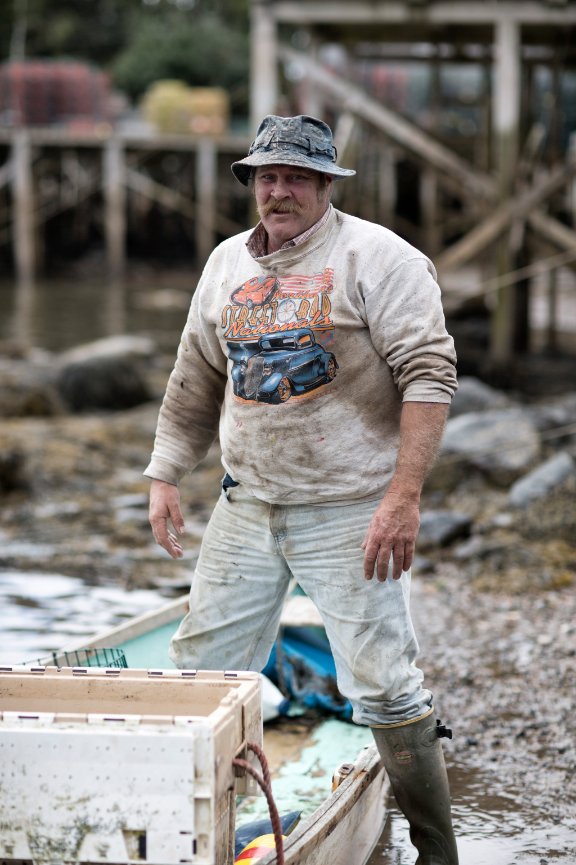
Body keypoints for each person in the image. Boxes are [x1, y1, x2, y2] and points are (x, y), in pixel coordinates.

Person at [145, 114, 459, 865]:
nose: (278, 191)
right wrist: (164, 471)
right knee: (200, 677)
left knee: (384, 686)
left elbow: (430, 374)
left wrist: (403, 498)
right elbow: (196, 375)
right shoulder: (226, 264)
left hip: (351, 508)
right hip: (248, 502)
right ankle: (200, 832)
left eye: (295, 178)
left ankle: (437, 851)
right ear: (252, 184)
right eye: (267, 177)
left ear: (325, 185)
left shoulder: (380, 259)